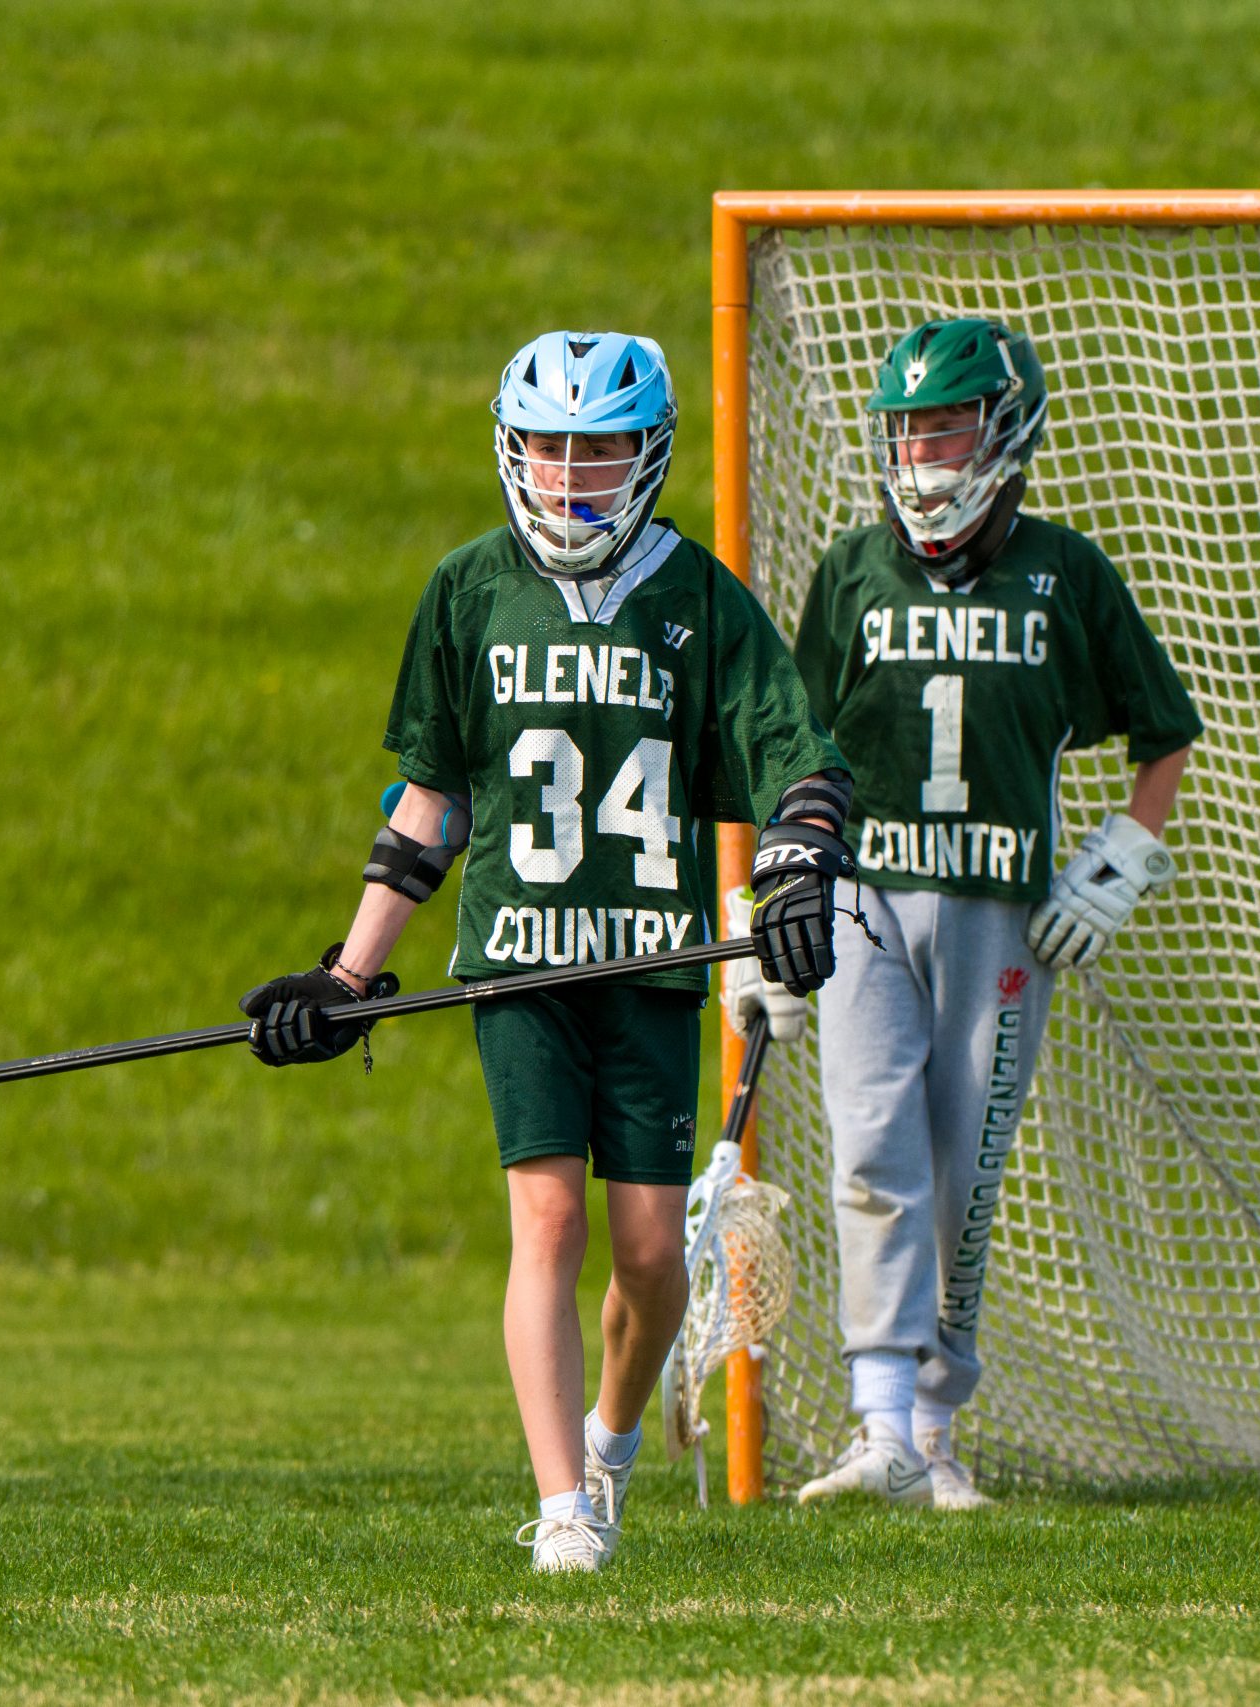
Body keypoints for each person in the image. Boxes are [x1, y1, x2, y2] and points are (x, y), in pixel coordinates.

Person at [238, 330, 854, 1570]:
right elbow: (432, 805)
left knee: (645, 1254)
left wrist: (796, 863)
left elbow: (799, 759)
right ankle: (563, 1507)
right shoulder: (468, 588)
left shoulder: (696, 598)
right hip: (517, 961)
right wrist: (347, 975)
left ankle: (612, 1447)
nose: (574, 473)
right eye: (552, 446)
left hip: (649, 966)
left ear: (650, 452)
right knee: (547, 1220)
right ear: (512, 447)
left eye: (603, 448)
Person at [725, 318, 1201, 1512]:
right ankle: (879, 1420)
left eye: (943, 426)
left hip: (1001, 909)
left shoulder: (1063, 572)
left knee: (965, 1165)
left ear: (1002, 430)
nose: (923, 454)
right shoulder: (852, 571)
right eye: (907, 430)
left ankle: (936, 1428)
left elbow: (1163, 728)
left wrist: (1124, 855)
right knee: (870, 1144)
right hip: (865, 898)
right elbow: (785, 746)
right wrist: (764, 904)